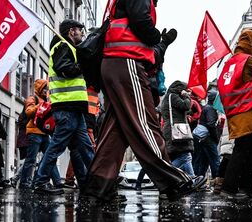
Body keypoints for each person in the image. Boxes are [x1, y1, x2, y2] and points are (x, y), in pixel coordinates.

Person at [83, 0, 204, 203]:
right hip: (127, 62)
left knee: (116, 130)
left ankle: (98, 187)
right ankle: (173, 182)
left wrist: (161, 42)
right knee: (145, 123)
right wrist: (158, 38)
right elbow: (142, 24)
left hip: (115, 64)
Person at [32, 20, 95, 195]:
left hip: (73, 106)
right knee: (57, 146)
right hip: (66, 106)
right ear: (71, 31)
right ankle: (41, 181)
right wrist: (83, 65)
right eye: (79, 30)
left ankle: (95, 182)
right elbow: (64, 69)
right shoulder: (62, 46)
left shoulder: (69, 47)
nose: (81, 34)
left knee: (84, 147)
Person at [218, 30, 252, 199]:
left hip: (234, 110)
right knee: (243, 149)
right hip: (245, 109)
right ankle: (230, 187)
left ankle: (247, 186)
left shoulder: (231, 61)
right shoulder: (248, 60)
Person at [19, 79, 52, 189]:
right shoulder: (33, 98)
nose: (46, 90)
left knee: (49, 157)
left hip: (44, 133)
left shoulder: (47, 100)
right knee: (31, 159)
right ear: (39, 88)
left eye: (47, 88)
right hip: (34, 133)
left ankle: (38, 180)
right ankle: (24, 183)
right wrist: (41, 105)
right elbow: (28, 112)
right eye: (44, 88)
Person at [161, 81, 196, 176]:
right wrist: (186, 96)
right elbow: (186, 106)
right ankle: (165, 175)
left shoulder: (167, 98)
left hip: (172, 130)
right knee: (185, 157)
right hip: (177, 130)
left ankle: (190, 179)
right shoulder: (173, 96)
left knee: (182, 156)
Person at [193, 90, 222, 179]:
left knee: (203, 161)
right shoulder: (211, 108)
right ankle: (217, 180)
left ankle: (199, 180)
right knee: (215, 160)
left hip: (201, 138)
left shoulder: (206, 108)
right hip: (208, 138)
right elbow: (211, 124)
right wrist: (216, 138)